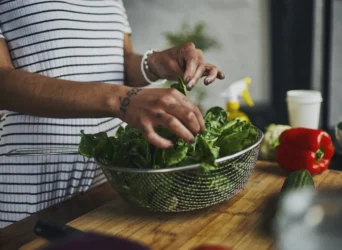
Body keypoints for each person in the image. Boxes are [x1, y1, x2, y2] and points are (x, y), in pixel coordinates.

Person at [0, 0, 224, 228]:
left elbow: (120, 59)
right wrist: (121, 99)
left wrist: (156, 64)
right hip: (30, 193)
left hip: (104, 187)